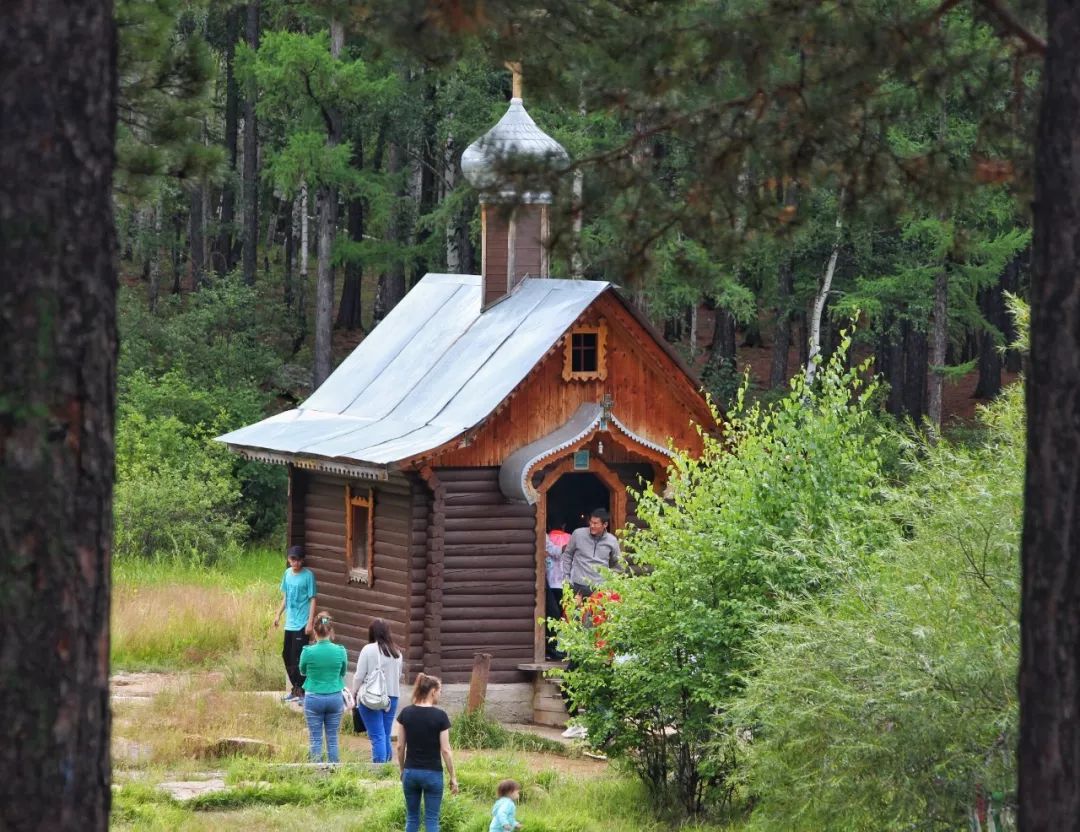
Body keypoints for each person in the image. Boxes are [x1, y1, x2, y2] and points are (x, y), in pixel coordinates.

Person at [396, 673, 459, 832]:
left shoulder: (406, 713)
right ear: (432, 691)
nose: (440, 694)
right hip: (433, 774)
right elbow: (445, 750)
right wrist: (453, 777)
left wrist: (403, 770)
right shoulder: (440, 716)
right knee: (432, 820)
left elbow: (399, 746)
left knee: (412, 819)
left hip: (411, 772)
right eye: (440, 691)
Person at [351, 617, 404, 763]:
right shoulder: (397, 653)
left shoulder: (368, 650)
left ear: (372, 632)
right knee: (385, 734)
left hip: (371, 697)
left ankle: (378, 770)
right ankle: (386, 766)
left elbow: (359, 676)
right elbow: (398, 675)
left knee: (377, 736)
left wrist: (354, 693)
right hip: (392, 697)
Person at [298, 611, 348, 764]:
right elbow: (343, 672)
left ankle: (316, 773)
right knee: (332, 738)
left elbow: (302, 670)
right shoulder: (340, 651)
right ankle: (335, 772)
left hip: (313, 697)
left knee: (315, 738)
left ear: (314, 631)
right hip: (335, 697)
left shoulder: (308, 651)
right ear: (330, 631)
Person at [273, 544, 317, 702]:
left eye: (298, 560)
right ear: (288, 559)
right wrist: (278, 614)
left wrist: (310, 622)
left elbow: (313, 599)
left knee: (299, 658)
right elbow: (286, 596)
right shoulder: (287, 574)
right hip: (289, 623)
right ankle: (296, 689)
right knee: (287, 655)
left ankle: (303, 691)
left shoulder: (308, 576)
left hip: (302, 623)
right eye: (293, 559)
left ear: (302, 560)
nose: (295, 562)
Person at [560, 507, 621, 601]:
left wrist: (610, 584)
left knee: (597, 616)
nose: (592, 525)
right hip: (578, 586)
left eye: (595, 523)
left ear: (605, 524)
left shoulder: (612, 540)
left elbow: (618, 565)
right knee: (575, 615)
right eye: (591, 522)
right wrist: (566, 577)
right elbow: (567, 555)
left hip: (600, 589)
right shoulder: (578, 534)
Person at [544, 525, 571, 660]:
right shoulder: (569, 538)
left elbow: (552, 550)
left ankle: (552, 648)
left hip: (551, 580)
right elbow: (553, 550)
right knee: (554, 614)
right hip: (551, 581)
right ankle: (550, 648)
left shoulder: (547, 536)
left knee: (554, 614)